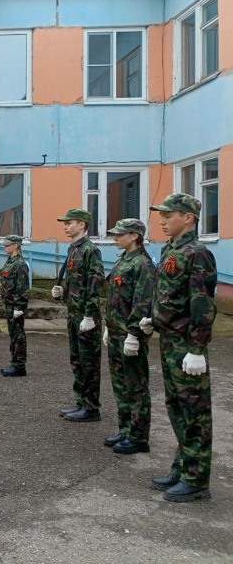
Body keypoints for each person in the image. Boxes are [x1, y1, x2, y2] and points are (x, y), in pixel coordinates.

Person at [141, 194, 216, 502]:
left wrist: (197, 348)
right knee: (176, 407)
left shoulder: (198, 253)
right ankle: (183, 467)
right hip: (169, 340)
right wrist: (152, 319)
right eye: (162, 215)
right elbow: (166, 293)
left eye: (169, 215)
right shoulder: (171, 249)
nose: (162, 220)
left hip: (186, 345)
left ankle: (197, 480)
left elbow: (202, 303)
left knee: (195, 412)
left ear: (188, 218)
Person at [102, 219, 156, 455]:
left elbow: (143, 302)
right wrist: (108, 326)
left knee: (136, 387)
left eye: (119, 234)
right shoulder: (123, 260)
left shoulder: (142, 264)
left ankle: (138, 437)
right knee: (120, 385)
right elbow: (115, 297)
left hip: (129, 335)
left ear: (134, 236)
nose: (115, 237)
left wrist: (133, 333)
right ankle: (126, 429)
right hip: (116, 332)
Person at [51, 209, 104, 422]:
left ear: (81, 224)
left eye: (69, 223)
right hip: (74, 314)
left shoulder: (90, 250)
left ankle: (92, 407)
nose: (65, 226)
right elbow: (77, 283)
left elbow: (94, 283)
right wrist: (62, 292)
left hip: (85, 316)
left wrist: (90, 315)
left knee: (89, 361)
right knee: (77, 360)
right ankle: (81, 400)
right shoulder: (73, 249)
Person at [0, 235, 29, 377]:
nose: (5, 247)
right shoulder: (10, 262)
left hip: (15, 306)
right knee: (13, 334)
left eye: (7, 245)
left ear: (16, 245)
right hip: (9, 304)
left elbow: (22, 288)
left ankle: (19, 366)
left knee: (18, 336)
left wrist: (19, 308)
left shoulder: (20, 264)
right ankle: (14, 362)